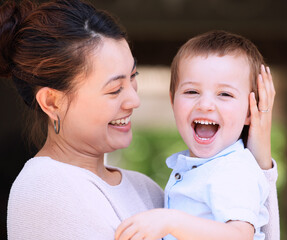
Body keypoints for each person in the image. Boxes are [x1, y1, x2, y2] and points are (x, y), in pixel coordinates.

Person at [0, 0, 278, 238]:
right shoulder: (45, 187)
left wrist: (258, 159)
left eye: (133, 78)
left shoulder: (146, 190)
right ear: (52, 101)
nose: (134, 100)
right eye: (114, 89)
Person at [115, 31, 279, 240]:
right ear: (172, 100)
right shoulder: (200, 170)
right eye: (192, 92)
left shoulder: (234, 169)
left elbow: (239, 235)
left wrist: (171, 221)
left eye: (225, 94)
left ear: (250, 111)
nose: (205, 105)